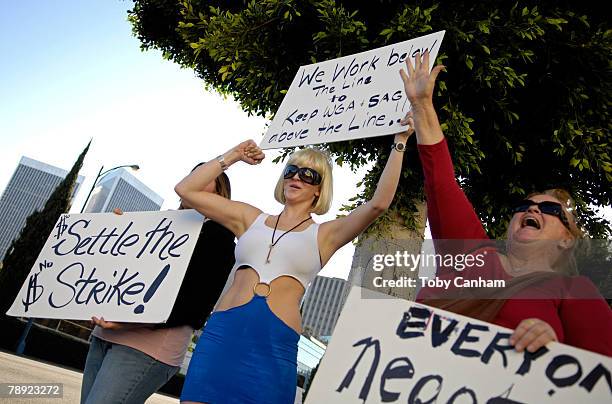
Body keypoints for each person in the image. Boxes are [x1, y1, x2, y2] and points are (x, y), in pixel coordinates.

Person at [175, 125, 414, 402]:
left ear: (319, 190)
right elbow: (186, 189)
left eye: (307, 174)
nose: (296, 177)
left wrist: (400, 142)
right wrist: (234, 155)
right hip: (222, 337)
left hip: (274, 346)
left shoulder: (325, 235)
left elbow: (378, 204)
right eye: (291, 170)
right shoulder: (248, 217)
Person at [402, 50, 612, 356]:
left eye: (551, 210)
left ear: (567, 240)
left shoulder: (574, 291)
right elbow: (441, 184)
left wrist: (557, 351)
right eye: (523, 206)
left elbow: (600, 373)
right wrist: (422, 106)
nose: (533, 209)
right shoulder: (473, 253)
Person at [80, 170, 236, 404]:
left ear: (220, 193)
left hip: (148, 346)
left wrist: (130, 319)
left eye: (203, 179)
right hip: (105, 332)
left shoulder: (220, 238)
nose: (192, 182)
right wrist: (116, 235)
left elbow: (196, 305)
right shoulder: (157, 223)